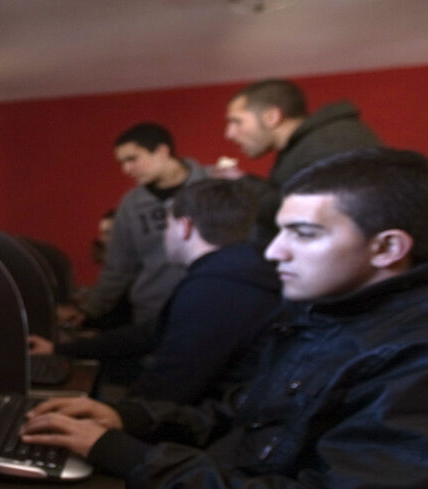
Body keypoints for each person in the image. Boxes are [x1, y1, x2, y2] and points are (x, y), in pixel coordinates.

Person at [21, 148, 428, 488]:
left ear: (387, 248)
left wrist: (127, 454)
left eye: (302, 234)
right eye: (279, 232)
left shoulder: (413, 359)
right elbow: (248, 413)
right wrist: (128, 418)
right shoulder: (324, 315)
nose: (273, 252)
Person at [30, 179, 280, 403]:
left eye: (168, 226)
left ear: (185, 227)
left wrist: (113, 419)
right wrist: (59, 350)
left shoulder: (216, 288)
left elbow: (168, 389)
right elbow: (151, 333)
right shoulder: (234, 271)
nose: (165, 235)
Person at [59, 123, 207, 335]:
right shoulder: (131, 204)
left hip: (210, 305)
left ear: (162, 151)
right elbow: (118, 267)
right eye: (122, 162)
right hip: (153, 314)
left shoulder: (214, 185)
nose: (126, 169)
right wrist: (89, 309)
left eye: (132, 159)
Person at [220, 79, 381, 239]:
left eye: (237, 121)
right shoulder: (308, 143)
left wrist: (242, 184)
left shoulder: (329, 143)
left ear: (271, 117)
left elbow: (307, 216)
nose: (230, 133)